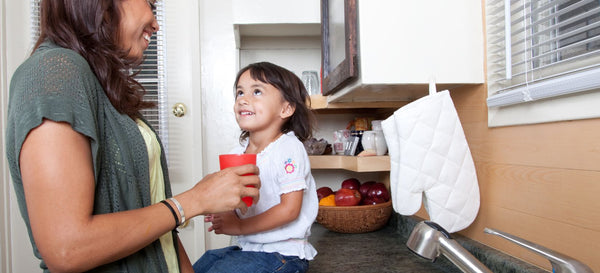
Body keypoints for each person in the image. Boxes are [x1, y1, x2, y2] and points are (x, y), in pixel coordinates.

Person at [5, 0, 259, 272]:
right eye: (149, 3)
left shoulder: (98, 83)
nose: (156, 23)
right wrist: (195, 200)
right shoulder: (53, 71)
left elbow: (159, 228)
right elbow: (67, 248)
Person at [192, 62, 319, 273]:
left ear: (286, 108)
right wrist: (221, 209)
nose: (243, 99)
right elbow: (240, 200)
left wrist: (239, 226)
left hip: (284, 254)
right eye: (239, 92)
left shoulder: (288, 148)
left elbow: (289, 210)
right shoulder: (237, 152)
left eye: (257, 91)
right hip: (248, 248)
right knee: (205, 262)